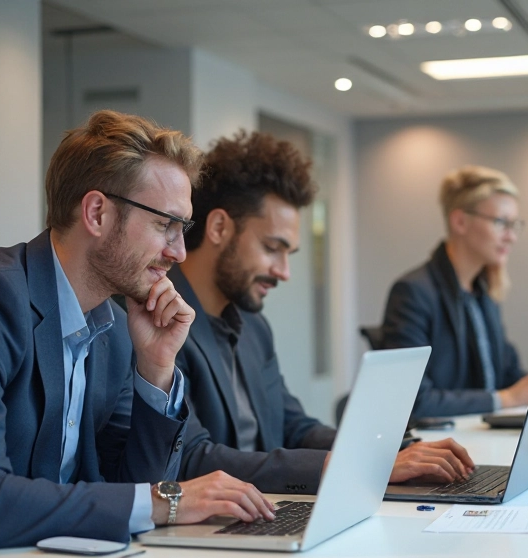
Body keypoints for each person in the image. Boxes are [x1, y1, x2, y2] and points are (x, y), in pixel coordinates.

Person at [0, 111, 275, 558]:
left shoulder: (113, 331)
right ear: (97, 213)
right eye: (167, 224)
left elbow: (132, 487)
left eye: (181, 231)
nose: (179, 252)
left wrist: (156, 369)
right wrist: (170, 501)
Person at [172, 130, 474, 494]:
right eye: (272, 248)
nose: (284, 272)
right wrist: (349, 463)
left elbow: (293, 425)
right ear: (219, 227)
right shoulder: (157, 324)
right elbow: (192, 460)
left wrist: (389, 451)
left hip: (267, 510)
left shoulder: (254, 327)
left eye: (289, 254)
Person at [378, 165, 528, 418]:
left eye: (514, 225)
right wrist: (506, 398)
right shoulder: (413, 293)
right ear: (460, 221)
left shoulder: (483, 294)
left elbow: (507, 374)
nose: (511, 237)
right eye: (500, 222)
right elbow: (413, 401)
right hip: (442, 447)